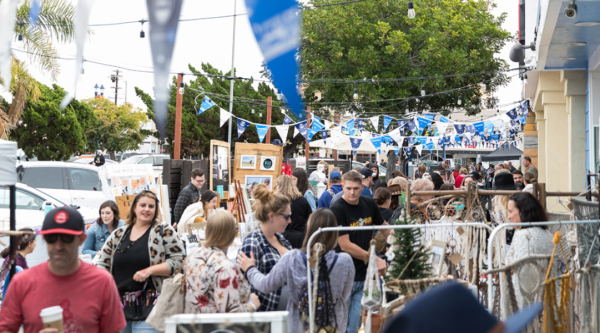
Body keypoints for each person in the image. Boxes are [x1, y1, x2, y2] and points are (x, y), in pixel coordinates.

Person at [0, 206, 126, 333]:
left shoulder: (102, 282)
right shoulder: (22, 282)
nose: (59, 245)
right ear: (44, 239)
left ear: (81, 239)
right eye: (52, 238)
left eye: (67, 238)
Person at [237, 208, 355, 333]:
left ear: (309, 230)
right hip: (333, 326)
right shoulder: (345, 261)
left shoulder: (292, 258)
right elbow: (344, 295)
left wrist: (250, 269)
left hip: (299, 326)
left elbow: (265, 285)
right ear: (334, 231)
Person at [95, 191, 184, 333]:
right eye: (143, 205)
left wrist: (149, 271)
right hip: (118, 306)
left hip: (151, 306)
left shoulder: (163, 231)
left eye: (151, 206)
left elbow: (179, 262)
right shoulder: (118, 234)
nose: (147, 209)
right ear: (134, 207)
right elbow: (102, 263)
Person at [329, 170, 391, 333]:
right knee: (342, 324)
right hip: (344, 276)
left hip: (363, 275)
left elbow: (384, 227)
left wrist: (398, 243)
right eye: (348, 188)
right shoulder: (337, 208)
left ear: (362, 187)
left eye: (356, 188)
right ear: (342, 186)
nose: (352, 192)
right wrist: (374, 258)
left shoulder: (369, 203)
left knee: (355, 325)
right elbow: (345, 245)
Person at [184, 210, 260, 314]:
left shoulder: (193, 256)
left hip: (192, 325)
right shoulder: (225, 268)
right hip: (215, 327)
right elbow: (231, 314)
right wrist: (252, 304)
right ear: (232, 235)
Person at [239, 184, 293, 312]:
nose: (289, 221)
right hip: (267, 319)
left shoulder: (281, 239)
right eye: (286, 216)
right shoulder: (253, 243)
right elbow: (243, 287)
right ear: (271, 216)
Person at [505, 192, 554, 321]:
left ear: (523, 211)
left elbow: (522, 276)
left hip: (527, 306)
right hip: (548, 299)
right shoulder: (547, 233)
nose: (508, 216)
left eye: (510, 211)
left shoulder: (524, 235)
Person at [276, 175, 312, 249]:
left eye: (276, 185)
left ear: (280, 186)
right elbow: (310, 218)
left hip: (283, 237)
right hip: (302, 238)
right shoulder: (303, 200)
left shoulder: (279, 201)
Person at [0, 228, 36, 295]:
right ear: (29, 244)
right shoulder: (16, 261)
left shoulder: (19, 258)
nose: (36, 244)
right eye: (35, 241)